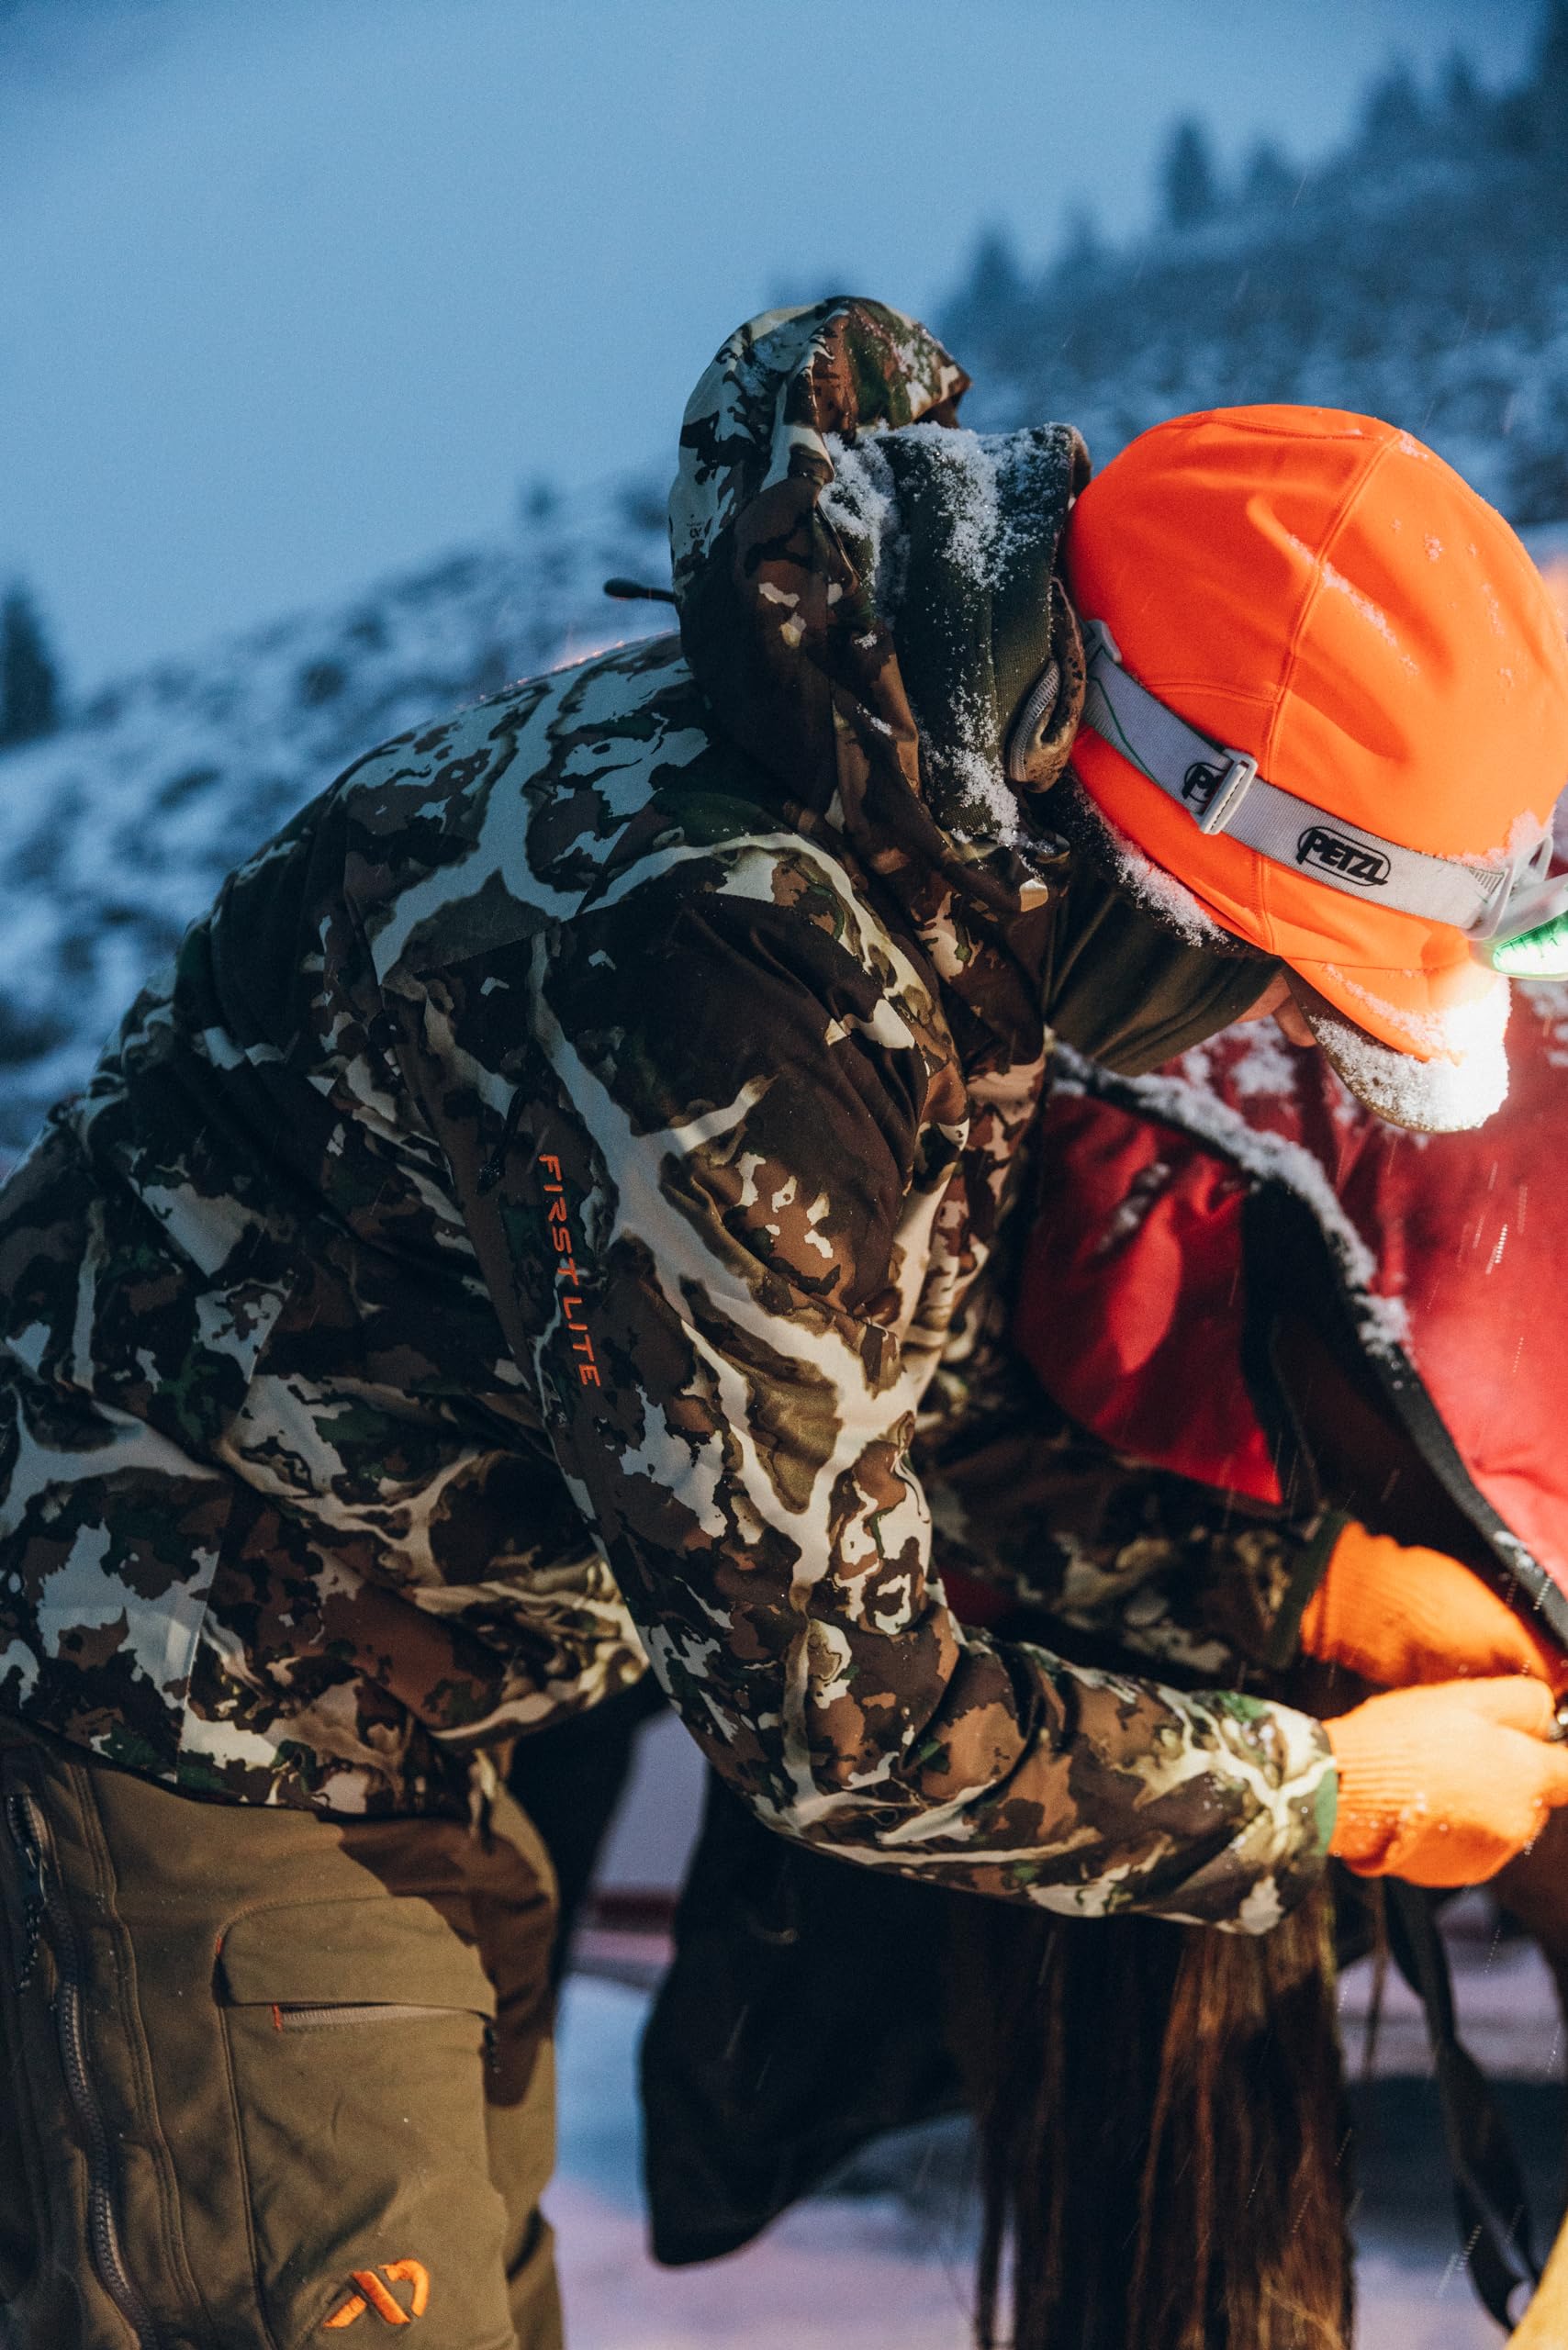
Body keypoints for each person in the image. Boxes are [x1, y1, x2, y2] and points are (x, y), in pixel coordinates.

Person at [2, 296, 1567, 2350]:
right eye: (1266, 970)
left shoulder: (933, 848)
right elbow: (831, 1709)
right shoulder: (735, 969)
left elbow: (877, 1433)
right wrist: (1323, 1792)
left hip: (381, 1703)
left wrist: (1303, 1592)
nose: (1261, 1024)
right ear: (1153, 833)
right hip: (190, 1695)